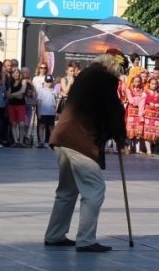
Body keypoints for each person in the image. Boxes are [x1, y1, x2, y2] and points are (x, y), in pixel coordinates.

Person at [44, 54, 127, 253]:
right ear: (112, 65)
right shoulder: (105, 78)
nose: (119, 74)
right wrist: (121, 137)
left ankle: (55, 235)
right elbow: (113, 110)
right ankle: (86, 239)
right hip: (79, 139)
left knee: (67, 190)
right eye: (119, 70)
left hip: (63, 136)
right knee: (94, 188)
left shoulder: (85, 75)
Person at [35, 75, 58, 148]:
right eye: (47, 82)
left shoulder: (55, 91)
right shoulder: (41, 91)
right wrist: (38, 112)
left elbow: (57, 102)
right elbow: (39, 102)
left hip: (51, 112)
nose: (49, 83)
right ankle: (41, 141)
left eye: (50, 82)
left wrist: (57, 111)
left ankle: (52, 141)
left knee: (51, 127)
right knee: (42, 126)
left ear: (52, 82)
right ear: (44, 82)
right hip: (43, 111)